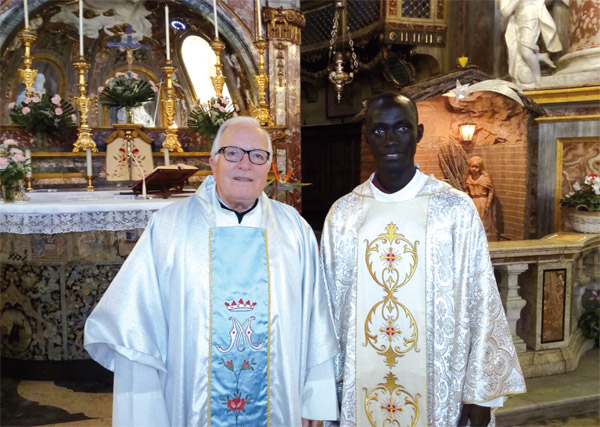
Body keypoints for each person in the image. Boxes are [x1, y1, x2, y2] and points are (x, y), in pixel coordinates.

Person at [84, 116, 339, 426]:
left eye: (258, 155)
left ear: (269, 168)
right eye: (233, 152)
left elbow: (316, 320)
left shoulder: (293, 229)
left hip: (279, 404)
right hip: (193, 402)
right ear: (213, 162)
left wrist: (316, 398)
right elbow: (136, 327)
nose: (245, 164)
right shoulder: (169, 227)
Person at [320, 93, 526, 426]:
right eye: (379, 130)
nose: (390, 139)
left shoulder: (454, 210)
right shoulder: (343, 215)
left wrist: (481, 394)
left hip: (439, 386)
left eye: (401, 128)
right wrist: (322, 391)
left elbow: (481, 299)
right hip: (362, 385)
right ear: (367, 136)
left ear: (418, 132)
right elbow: (327, 310)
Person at [497, 0, 562, 87]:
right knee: (519, 53)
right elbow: (504, 12)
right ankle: (540, 56)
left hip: (530, 14)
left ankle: (538, 80)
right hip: (517, 19)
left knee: (526, 51)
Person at [465, 156, 499, 241]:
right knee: (474, 219)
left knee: (484, 219)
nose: (474, 169)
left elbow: (491, 191)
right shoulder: (469, 179)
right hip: (473, 201)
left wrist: (488, 203)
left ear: (480, 168)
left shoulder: (485, 178)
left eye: (476, 167)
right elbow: (467, 191)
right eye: (472, 166)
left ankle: (485, 236)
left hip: (483, 201)